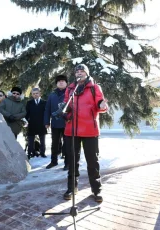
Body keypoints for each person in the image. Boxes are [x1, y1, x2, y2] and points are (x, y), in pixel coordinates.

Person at [63, 64, 108, 203]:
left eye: (82, 71)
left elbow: (100, 102)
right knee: (72, 161)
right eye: (77, 71)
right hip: (72, 130)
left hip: (90, 130)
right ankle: (72, 188)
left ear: (87, 74)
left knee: (92, 162)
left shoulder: (94, 87)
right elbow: (66, 104)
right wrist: (64, 112)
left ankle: (96, 189)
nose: (79, 73)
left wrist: (101, 105)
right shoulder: (70, 88)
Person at [44, 75, 69, 170]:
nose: (61, 82)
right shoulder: (52, 95)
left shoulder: (70, 94)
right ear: (56, 83)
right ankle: (53, 161)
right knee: (54, 144)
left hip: (67, 123)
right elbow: (47, 109)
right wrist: (46, 121)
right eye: (59, 81)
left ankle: (67, 163)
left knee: (67, 144)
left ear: (66, 83)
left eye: (63, 81)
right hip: (55, 123)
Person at [25, 88, 47, 158]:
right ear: (32, 95)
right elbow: (27, 114)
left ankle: (42, 152)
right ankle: (30, 153)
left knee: (42, 140)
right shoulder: (29, 103)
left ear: (40, 93)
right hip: (32, 124)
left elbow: (46, 114)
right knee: (30, 140)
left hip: (42, 124)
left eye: (37, 93)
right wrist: (25, 121)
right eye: (33, 94)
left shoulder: (44, 102)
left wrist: (47, 122)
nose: (35, 95)